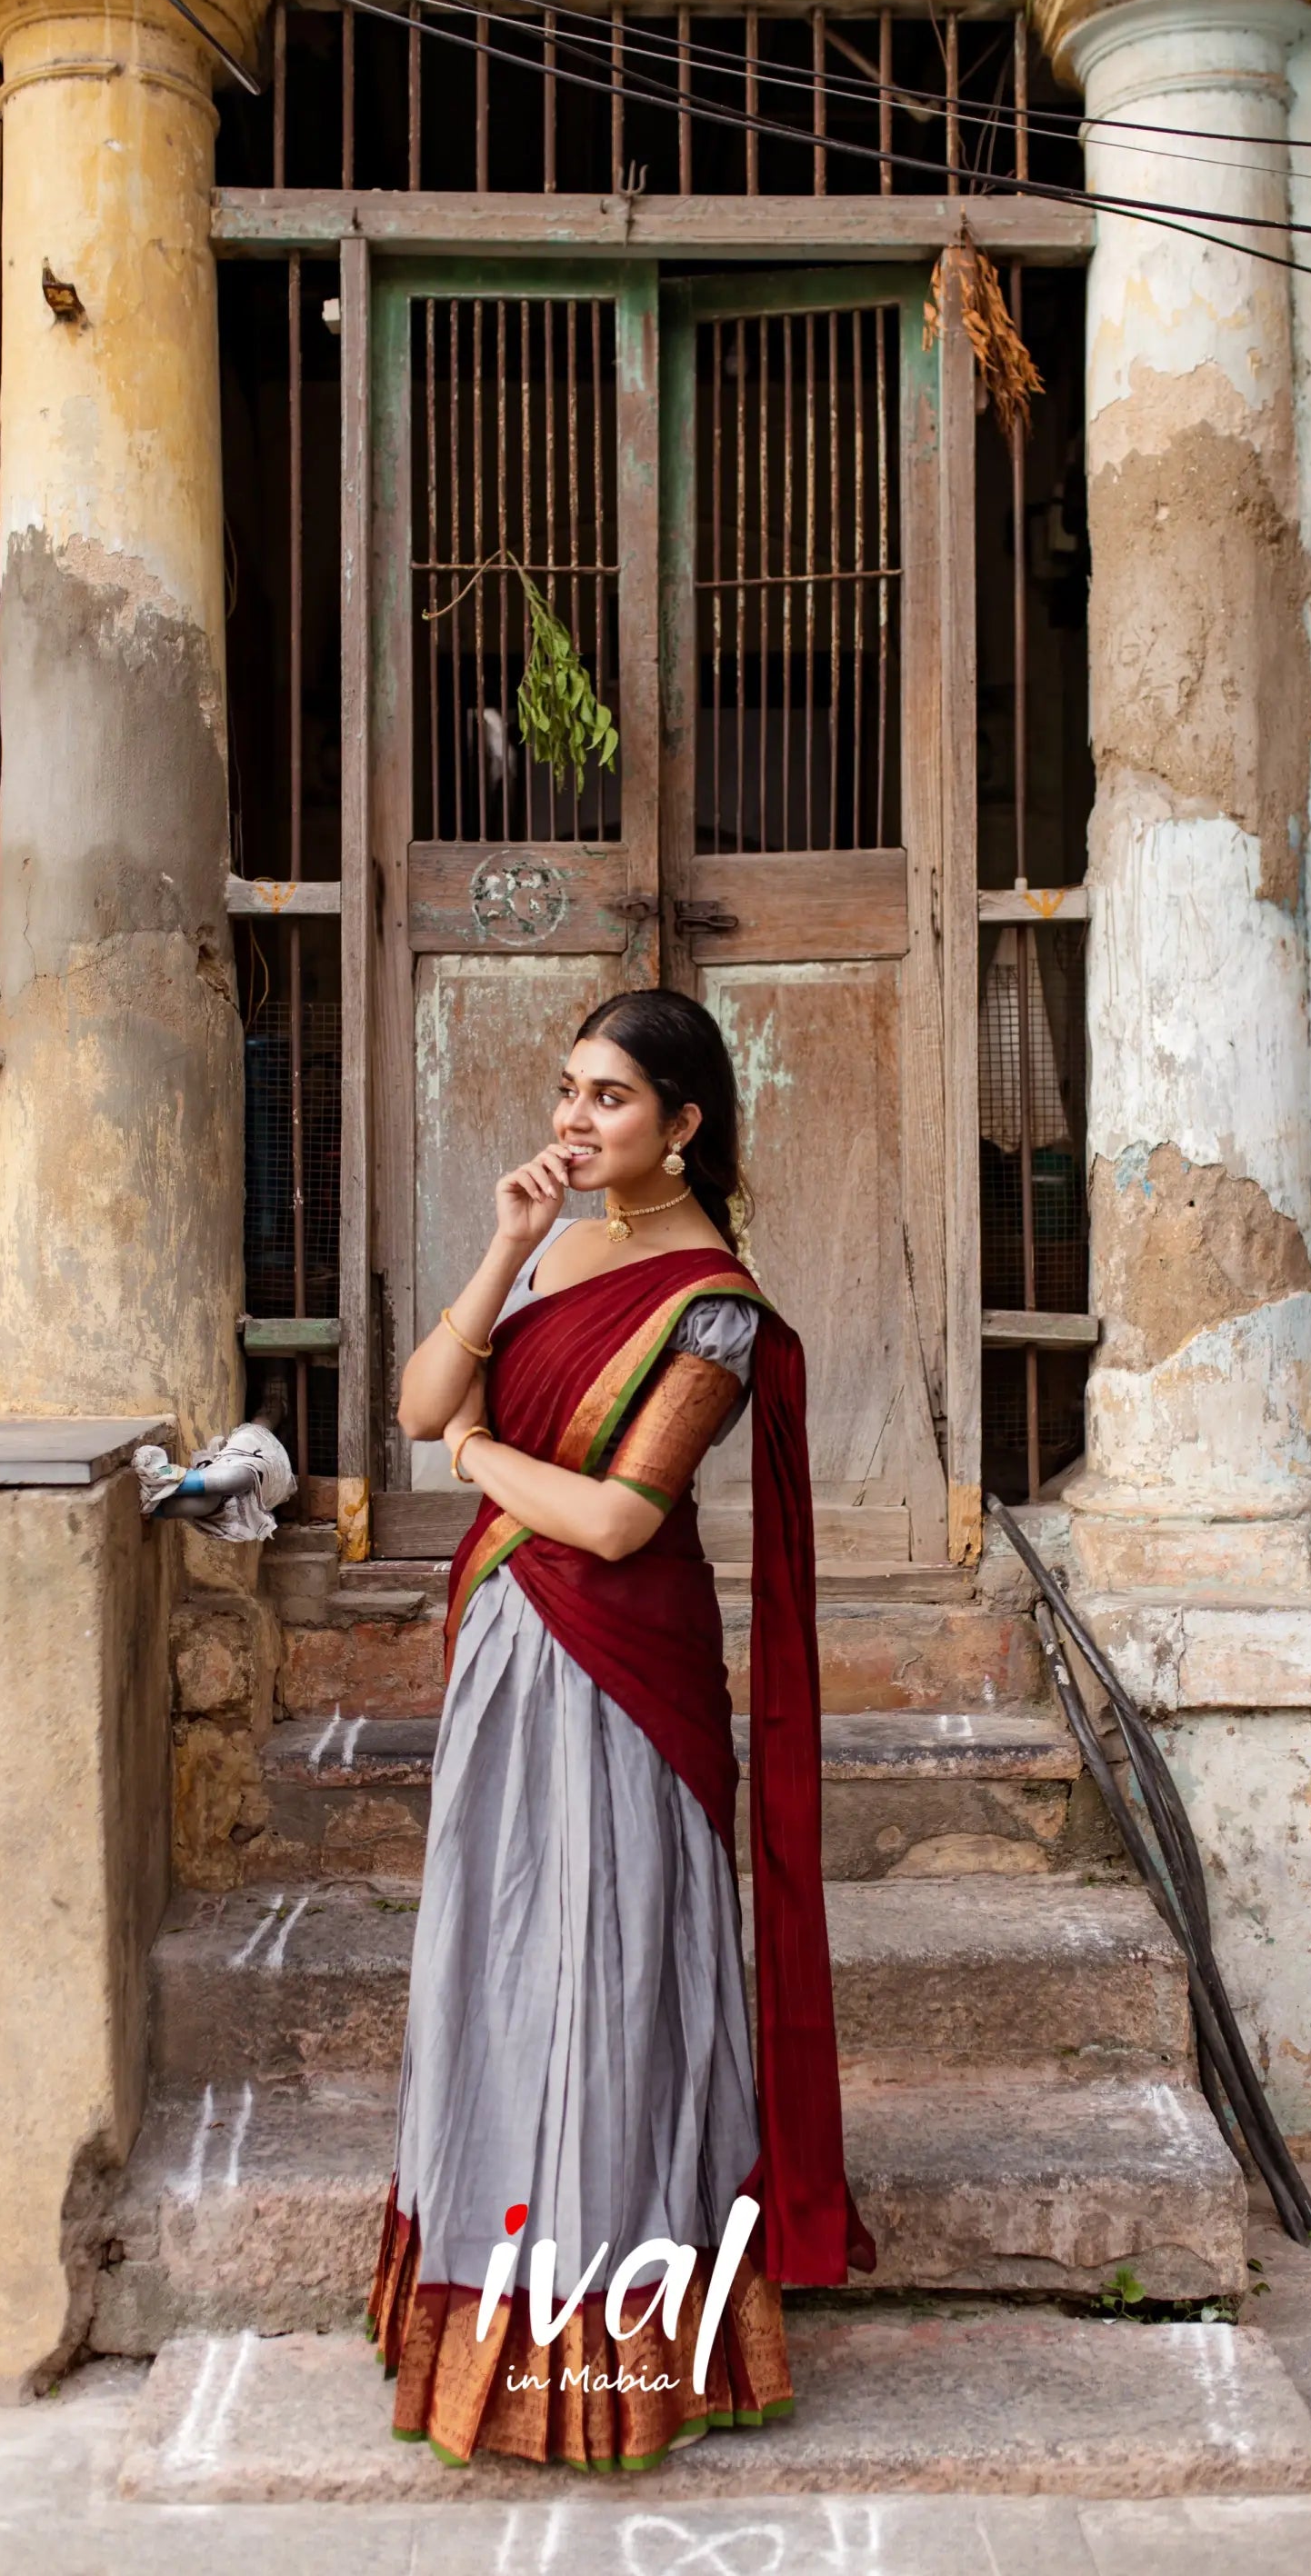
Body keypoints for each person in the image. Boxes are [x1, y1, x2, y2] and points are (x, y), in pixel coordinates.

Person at [368, 986, 871, 2471]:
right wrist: (509, 1245)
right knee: (503, 1959)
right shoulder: (560, 1247)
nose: (573, 1123)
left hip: (619, 1673)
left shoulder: (710, 1302)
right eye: (567, 1092)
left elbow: (612, 1514)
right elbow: (412, 1406)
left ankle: (611, 2352)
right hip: (507, 1650)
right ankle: (491, 2324)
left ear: (684, 1124)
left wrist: (472, 1450)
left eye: (608, 1099)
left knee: (600, 1969)